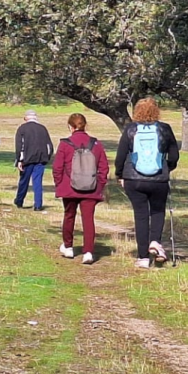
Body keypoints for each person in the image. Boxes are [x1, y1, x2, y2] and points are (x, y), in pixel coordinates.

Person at [114, 98, 180, 269]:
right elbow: (174, 155)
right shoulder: (164, 129)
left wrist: (119, 174)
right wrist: (167, 168)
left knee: (141, 216)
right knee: (157, 211)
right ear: (156, 111)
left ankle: (143, 257)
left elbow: (120, 155)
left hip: (133, 179)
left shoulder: (130, 129)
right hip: (159, 179)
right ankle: (155, 242)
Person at [53, 113, 109, 265]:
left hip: (69, 187)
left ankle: (68, 246)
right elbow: (104, 167)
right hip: (91, 188)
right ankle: (88, 252)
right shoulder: (96, 144)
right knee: (88, 219)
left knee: (69, 215)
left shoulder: (65, 144)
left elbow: (57, 167)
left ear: (70, 127)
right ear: (85, 125)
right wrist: (100, 184)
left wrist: (59, 184)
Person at [15, 109, 54, 210]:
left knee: (24, 181)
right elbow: (49, 146)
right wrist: (47, 157)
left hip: (27, 159)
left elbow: (20, 146)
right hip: (41, 159)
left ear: (26, 118)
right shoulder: (43, 128)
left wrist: (19, 160)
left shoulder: (22, 129)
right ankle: (38, 205)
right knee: (37, 182)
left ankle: (19, 201)